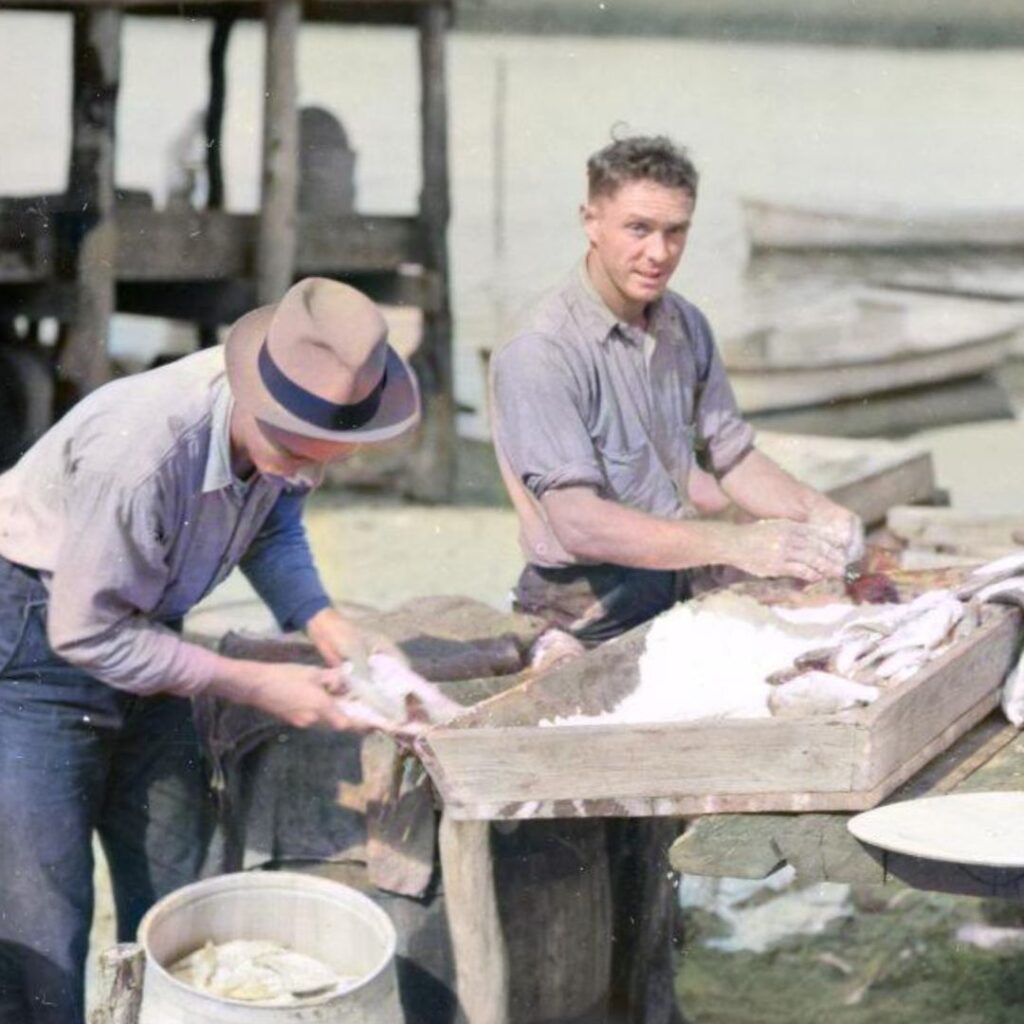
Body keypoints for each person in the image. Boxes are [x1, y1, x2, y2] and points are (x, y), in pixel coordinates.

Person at [489, 136, 861, 1022]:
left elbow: (732, 456)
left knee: (654, 845)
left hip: (667, 604)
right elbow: (576, 518)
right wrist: (741, 548)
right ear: (590, 218)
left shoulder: (685, 325)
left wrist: (816, 515)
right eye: (638, 228)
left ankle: (651, 1003)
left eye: (676, 232)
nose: (656, 252)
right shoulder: (541, 350)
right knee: (570, 857)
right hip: (580, 612)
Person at [0, 277, 427, 1023]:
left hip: (146, 628)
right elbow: (85, 632)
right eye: (296, 452)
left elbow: (273, 518)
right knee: (43, 913)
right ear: (252, 402)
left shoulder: (292, 412)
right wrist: (256, 684)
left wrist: (322, 621)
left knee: (183, 886)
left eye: (327, 462)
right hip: (35, 635)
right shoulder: (140, 453)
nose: (309, 474)